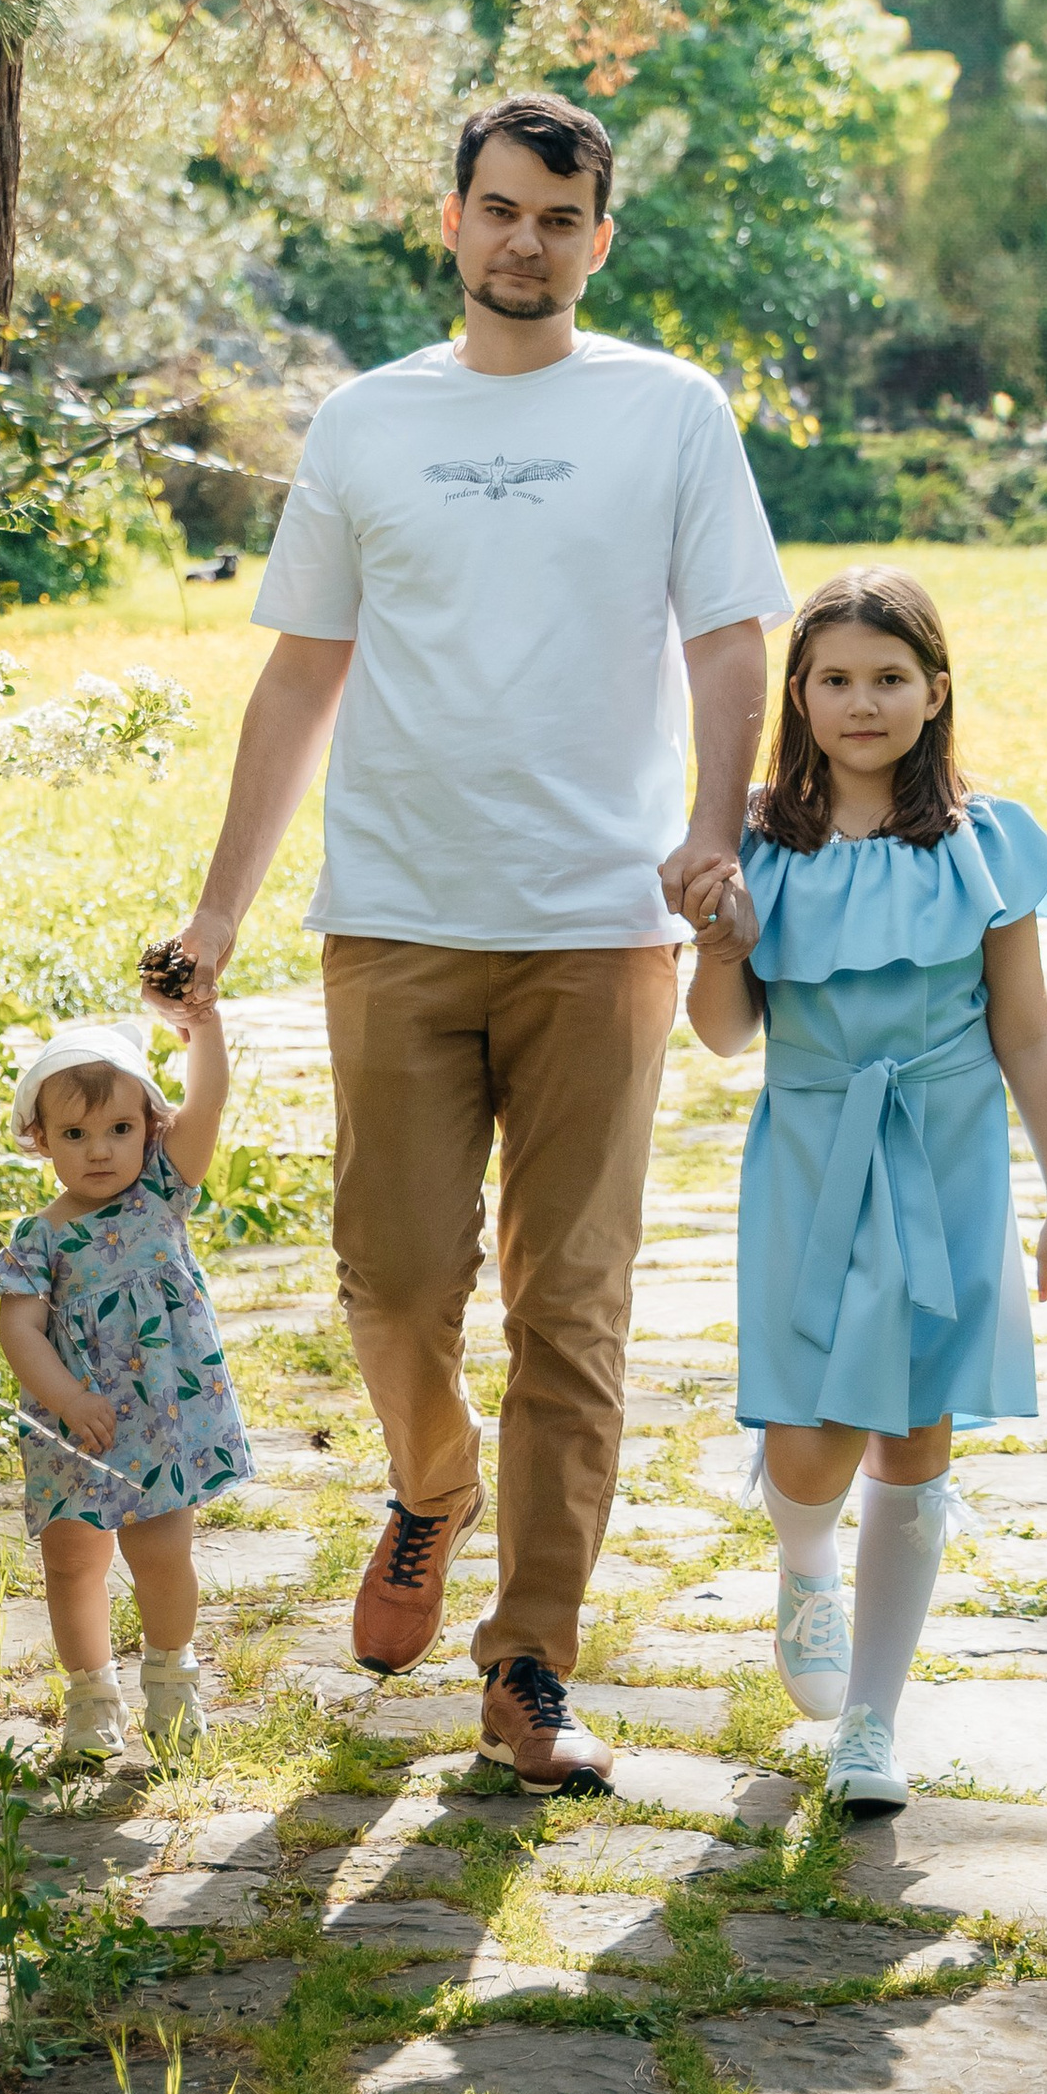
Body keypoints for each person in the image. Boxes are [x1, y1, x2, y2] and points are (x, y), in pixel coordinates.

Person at [167, 89, 788, 1800]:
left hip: (601, 928)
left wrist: (712, 830)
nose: (527, 240)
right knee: (391, 1277)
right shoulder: (369, 424)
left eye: (561, 217)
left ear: (601, 237)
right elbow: (303, 669)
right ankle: (430, 1484)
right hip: (396, 916)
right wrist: (221, 911)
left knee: (571, 1305)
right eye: (500, 208)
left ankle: (529, 1659)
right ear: (450, 220)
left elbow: (735, 639)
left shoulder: (667, 412)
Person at [685, 564, 1047, 1814]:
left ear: (933, 692)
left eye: (887, 678)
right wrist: (721, 944)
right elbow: (719, 1035)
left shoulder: (985, 843)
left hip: (947, 1149)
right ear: (798, 697)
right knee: (812, 1449)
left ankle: (871, 1724)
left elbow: (1026, 1032)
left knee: (916, 1433)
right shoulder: (756, 840)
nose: (861, 702)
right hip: (814, 1154)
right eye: (834, 680)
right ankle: (801, 1549)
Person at [0, 1002, 249, 1765]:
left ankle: (171, 1678)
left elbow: (211, 1101)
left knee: (161, 1554)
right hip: (76, 1424)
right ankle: (91, 1701)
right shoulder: (39, 1238)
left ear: (150, 1129)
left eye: (119, 1131)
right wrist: (67, 1398)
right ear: (40, 1140)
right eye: (74, 1135)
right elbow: (20, 1329)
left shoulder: (163, 1192)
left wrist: (206, 1029)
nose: (99, 1151)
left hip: (161, 1418)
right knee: (73, 1560)